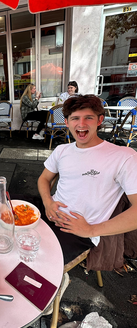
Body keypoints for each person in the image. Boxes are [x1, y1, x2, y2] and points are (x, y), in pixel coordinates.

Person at [37, 94, 137, 264]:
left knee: (38, 261)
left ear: (100, 120)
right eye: (75, 118)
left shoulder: (123, 156)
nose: (81, 124)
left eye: (88, 118)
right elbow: (44, 179)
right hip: (50, 211)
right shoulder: (62, 150)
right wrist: (48, 202)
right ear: (67, 122)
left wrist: (91, 230)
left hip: (78, 231)